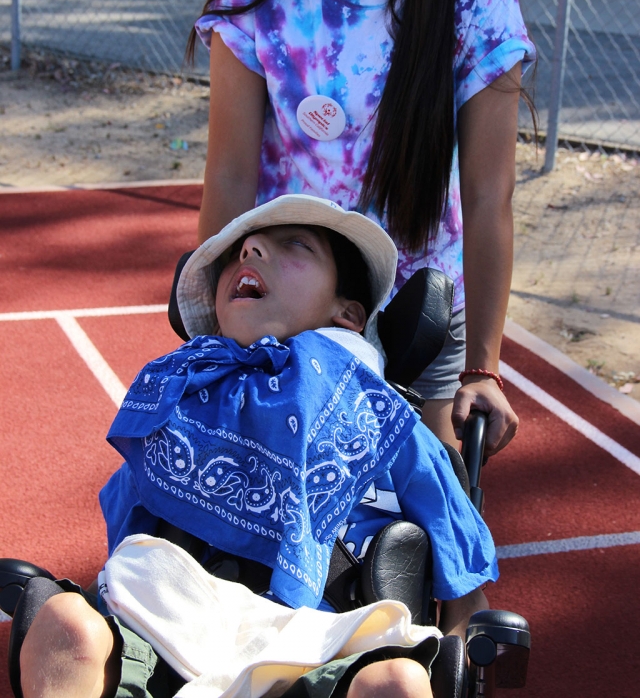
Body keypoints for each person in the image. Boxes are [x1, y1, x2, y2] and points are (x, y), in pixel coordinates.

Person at [186, 0, 536, 457]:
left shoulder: (479, 2)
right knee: (272, 535)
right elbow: (229, 175)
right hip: (293, 311)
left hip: (423, 319)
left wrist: (483, 368)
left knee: (422, 534)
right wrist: (208, 337)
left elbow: (489, 195)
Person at [19, 195, 498, 698]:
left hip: (324, 646)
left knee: (397, 681)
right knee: (65, 623)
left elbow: (456, 550)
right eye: (241, 252)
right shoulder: (177, 400)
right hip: (175, 630)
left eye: (295, 244)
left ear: (348, 315)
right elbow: (126, 538)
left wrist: (462, 642)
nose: (249, 251)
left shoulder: (382, 418)